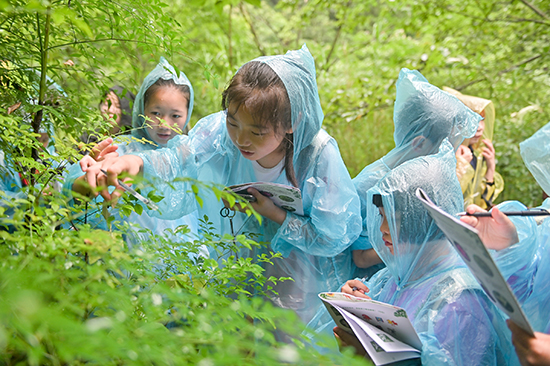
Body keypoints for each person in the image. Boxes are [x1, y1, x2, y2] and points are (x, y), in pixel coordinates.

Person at [77, 45, 362, 329]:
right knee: (236, 339)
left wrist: (276, 214)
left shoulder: (317, 156)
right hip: (237, 260)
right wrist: (136, 163)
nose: (241, 139)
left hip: (301, 278)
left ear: (292, 122)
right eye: (233, 122)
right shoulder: (218, 134)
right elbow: (178, 159)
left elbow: (334, 236)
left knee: (286, 345)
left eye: (257, 132)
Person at [333, 140, 515, 365]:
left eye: (393, 218)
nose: (382, 229)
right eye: (380, 216)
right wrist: (357, 304)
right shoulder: (403, 272)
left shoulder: (460, 302)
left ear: (422, 219)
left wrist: (369, 357)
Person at [350, 70, 481, 279]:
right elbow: (361, 258)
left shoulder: (427, 176)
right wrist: (419, 242)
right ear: (419, 143)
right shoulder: (373, 184)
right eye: (444, 146)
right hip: (374, 284)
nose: (449, 154)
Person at [65, 57, 198, 248]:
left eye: (175, 115)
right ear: (142, 110)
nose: (164, 124)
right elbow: (73, 188)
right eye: (156, 113)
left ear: (187, 114)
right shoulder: (122, 149)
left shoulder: (191, 155)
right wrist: (86, 181)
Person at [444, 87, 504, 209]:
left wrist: (490, 168)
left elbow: (482, 204)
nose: (480, 127)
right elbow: (444, 200)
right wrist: (461, 165)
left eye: (482, 120)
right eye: (473, 120)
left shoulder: (475, 156)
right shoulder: (444, 153)